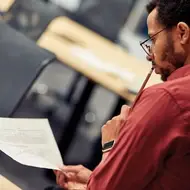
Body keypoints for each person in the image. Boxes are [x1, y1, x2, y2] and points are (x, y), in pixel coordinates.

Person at [55, 0, 190, 189]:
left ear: (182, 33)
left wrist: (111, 146)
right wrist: (97, 177)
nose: (149, 55)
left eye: (154, 40)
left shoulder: (167, 99)